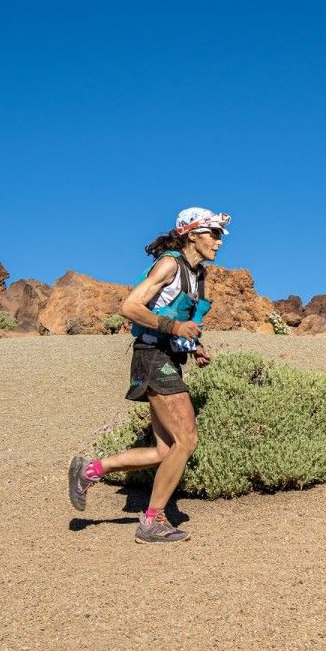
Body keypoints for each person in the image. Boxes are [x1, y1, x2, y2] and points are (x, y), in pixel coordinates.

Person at [68, 207, 230, 543]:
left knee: (163, 450)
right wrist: (175, 327)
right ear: (192, 234)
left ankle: (90, 470)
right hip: (152, 356)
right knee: (187, 440)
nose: (218, 242)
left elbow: (175, 315)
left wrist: (193, 344)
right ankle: (152, 522)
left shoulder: (198, 274)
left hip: (167, 354)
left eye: (219, 235)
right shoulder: (170, 264)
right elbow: (129, 307)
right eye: (212, 234)